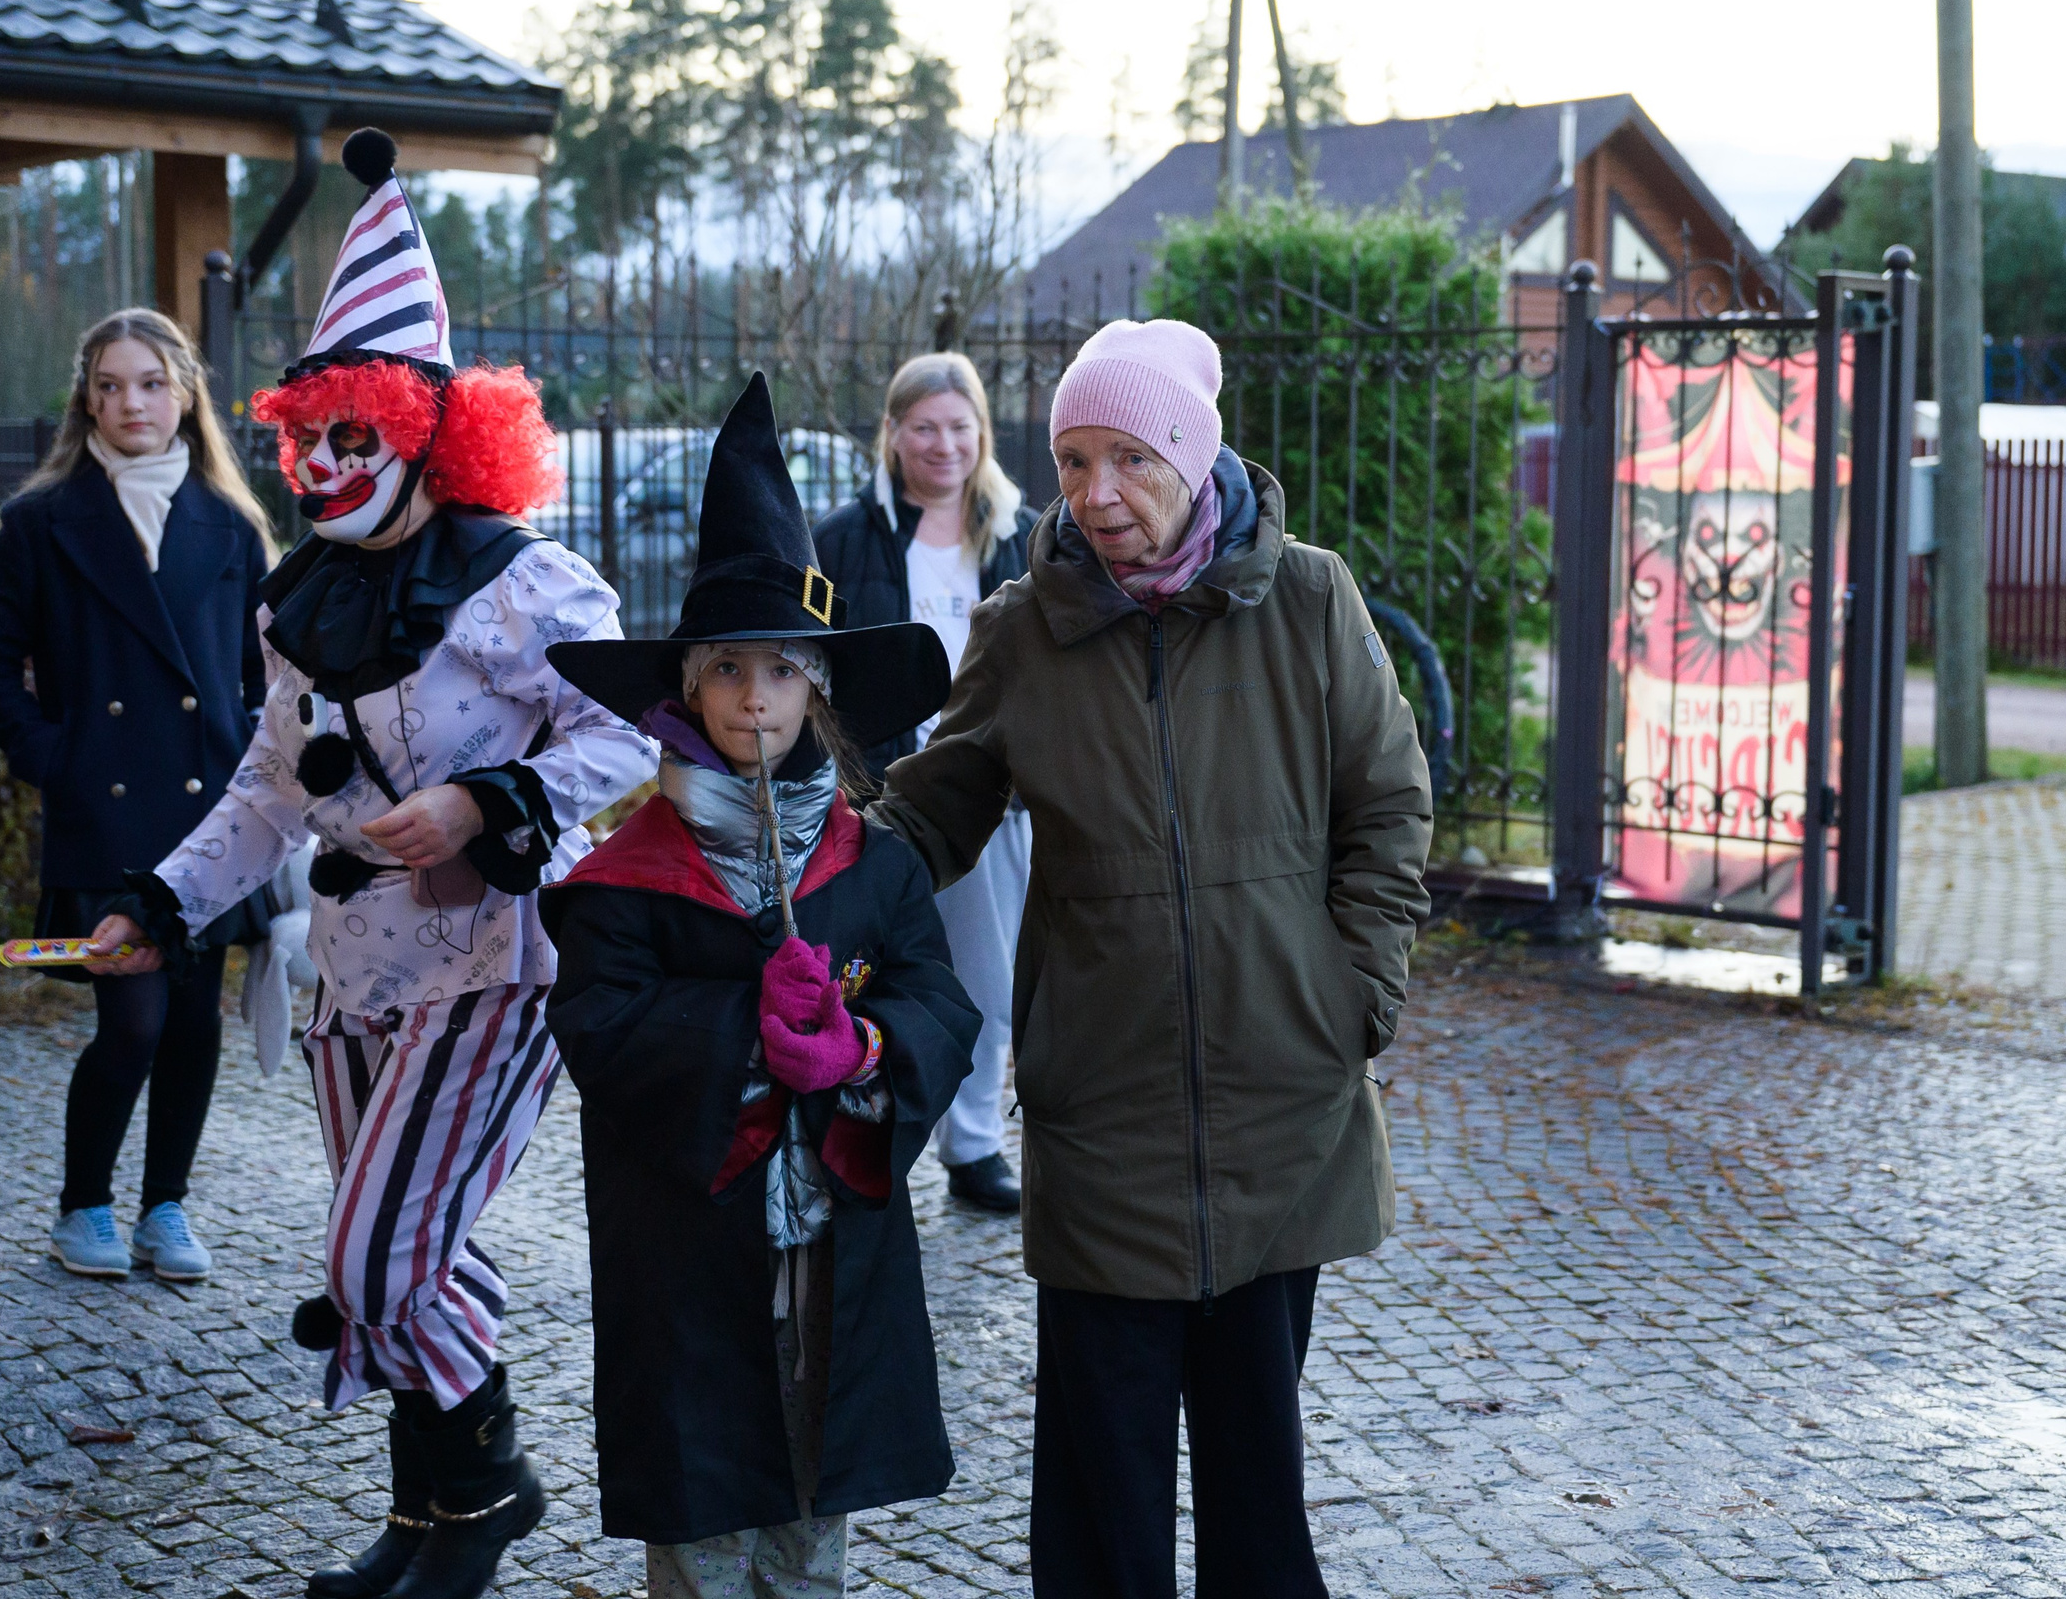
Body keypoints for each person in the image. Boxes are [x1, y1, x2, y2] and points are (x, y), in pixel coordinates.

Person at [82, 131, 658, 1599]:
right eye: (308, 437)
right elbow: (270, 799)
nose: (326, 463)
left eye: (357, 436)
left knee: (377, 1265)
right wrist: (161, 901)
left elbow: (644, 732)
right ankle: (427, 1525)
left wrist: (486, 802)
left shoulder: (523, 582)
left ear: (432, 433)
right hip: (352, 976)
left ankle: (497, 1487)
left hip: (491, 969)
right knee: (404, 1252)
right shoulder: (302, 602)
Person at [866, 319, 1435, 1598]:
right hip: (1102, 1117)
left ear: (1189, 452)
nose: (1096, 493)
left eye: (1127, 457)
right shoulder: (1026, 628)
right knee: (1100, 1500)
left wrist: (1354, 996)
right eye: (1072, 460)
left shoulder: (1308, 601)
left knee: (1255, 1485)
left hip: (1280, 1110)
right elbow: (933, 810)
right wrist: (814, 883)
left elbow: (1388, 805)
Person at [540, 373, 978, 1597]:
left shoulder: (874, 858)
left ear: (816, 691)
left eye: (780, 672)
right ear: (685, 686)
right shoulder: (627, 877)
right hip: (692, 1248)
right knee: (705, 1493)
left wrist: (864, 1048)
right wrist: (743, 1030)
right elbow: (601, 1025)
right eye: (726, 670)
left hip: (832, 1244)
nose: (752, 698)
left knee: (813, 1492)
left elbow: (938, 999)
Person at [0, 307, 280, 1286]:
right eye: (109, 384)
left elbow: (264, 676)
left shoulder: (232, 525)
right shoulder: (39, 522)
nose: (129, 402)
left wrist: (263, 787)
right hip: (104, 813)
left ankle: (166, 1207)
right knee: (132, 1020)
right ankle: (83, 1205)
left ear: (184, 393)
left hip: (209, 819)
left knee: (190, 1022)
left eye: (148, 382)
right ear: (86, 398)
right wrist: (55, 756)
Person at [811, 353, 1032, 1215]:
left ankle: (973, 1143)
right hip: (877, 796)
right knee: (865, 972)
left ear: (982, 434)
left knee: (985, 978)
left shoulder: (1023, 534)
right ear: (893, 433)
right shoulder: (839, 540)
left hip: (993, 797)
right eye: (925, 426)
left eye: (960, 425)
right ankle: (867, 1135)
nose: (944, 444)